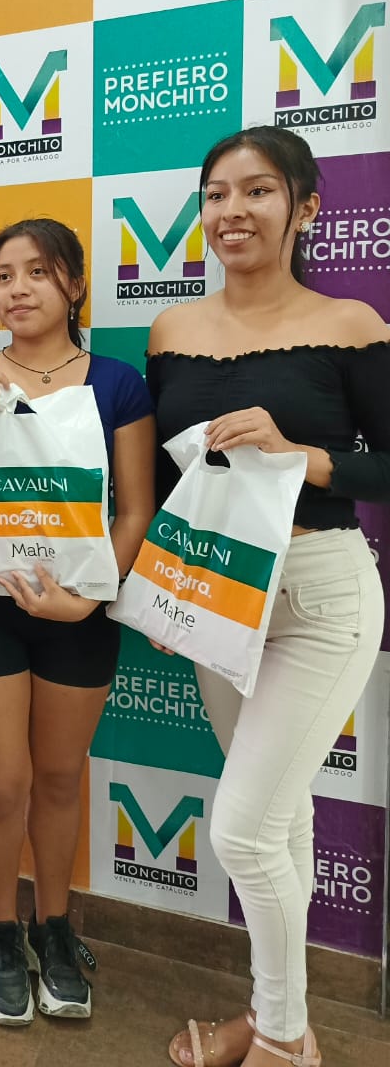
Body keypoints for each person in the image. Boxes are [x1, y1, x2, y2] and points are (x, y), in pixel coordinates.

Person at [147, 126, 388, 1067]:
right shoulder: (174, 332)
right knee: (281, 821)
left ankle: (283, 1041)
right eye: (216, 194)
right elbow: (166, 478)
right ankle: (276, 1014)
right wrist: (166, 588)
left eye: (256, 191)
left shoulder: (350, 323)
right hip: (215, 594)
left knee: (243, 832)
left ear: (305, 208)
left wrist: (306, 456)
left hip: (321, 596)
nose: (231, 211)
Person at [0, 217, 155, 1026]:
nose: (18, 289)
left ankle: (55, 929)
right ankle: (0, 929)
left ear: (74, 285)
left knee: (56, 777)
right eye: (3, 276)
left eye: (39, 272)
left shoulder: (117, 383)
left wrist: (88, 597)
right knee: (1, 782)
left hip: (78, 611)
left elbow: (135, 509)